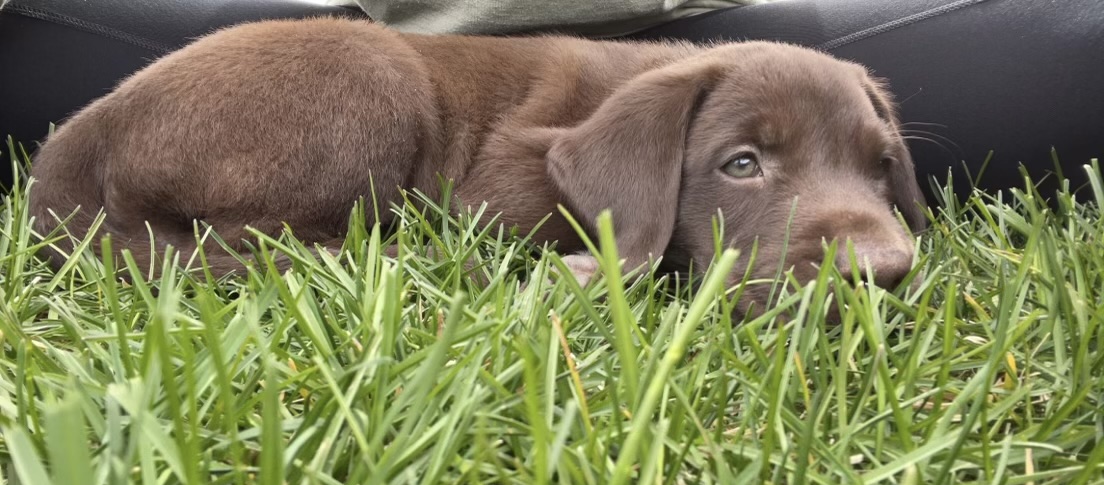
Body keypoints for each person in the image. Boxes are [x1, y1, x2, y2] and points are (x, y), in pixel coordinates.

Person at [1, 0, 1101, 206]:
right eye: (746, 165)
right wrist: (624, 251)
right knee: (355, 71)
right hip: (354, 37)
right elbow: (514, 176)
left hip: (695, 21)